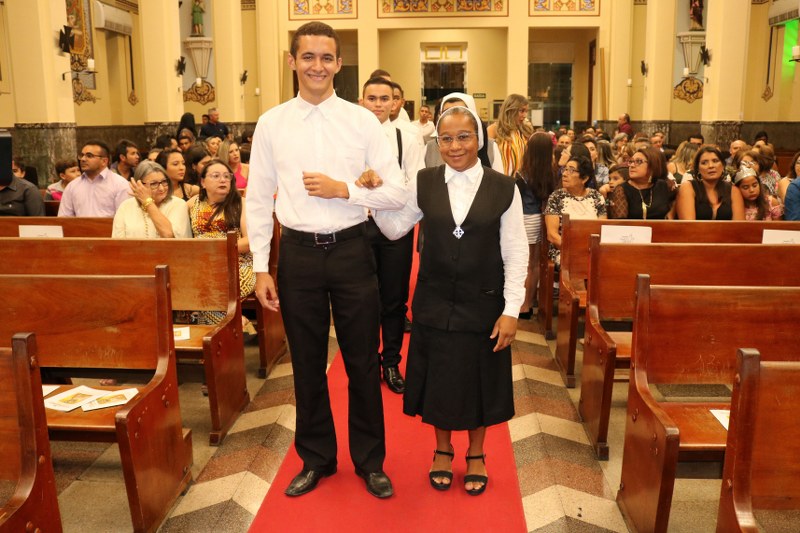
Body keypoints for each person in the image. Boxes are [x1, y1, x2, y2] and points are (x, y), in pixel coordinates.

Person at [246, 21, 407, 500]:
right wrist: (261, 266)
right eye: (308, 56)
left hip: (353, 249)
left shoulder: (363, 122)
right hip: (298, 254)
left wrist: (346, 190)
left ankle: (370, 461)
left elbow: (397, 192)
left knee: (362, 362)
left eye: (326, 57)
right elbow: (258, 198)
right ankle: (316, 458)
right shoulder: (272, 123)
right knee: (307, 364)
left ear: (339, 63)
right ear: (292, 61)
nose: (317, 66)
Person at [370, 105, 528, 496]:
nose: (455, 146)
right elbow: (395, 229)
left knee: (480, 381)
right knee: (439, 380)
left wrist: (511, 310)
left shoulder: (503, 187)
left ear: (479, 139)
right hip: (435, 300)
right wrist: (372, 198)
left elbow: (515, 251)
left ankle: (476, 453)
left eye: (463, 137)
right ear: (436, 142)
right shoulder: (424, 181)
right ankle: (442, 450)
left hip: (484, 302)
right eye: (446, 139)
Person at [360, 76, 425, 394]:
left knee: (394, 300)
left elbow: (415, 183)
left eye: (384, 98)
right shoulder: (349, 136)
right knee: (362, 300)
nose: (378, 104)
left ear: (395, 102)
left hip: (396, 228)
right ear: (362, 101)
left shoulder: (407, 137)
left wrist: (397, 222)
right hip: (357, 226)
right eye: (372, 98)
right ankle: (369, 362)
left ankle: (391, 362)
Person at [188, 160, 255, 323]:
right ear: (203, 182)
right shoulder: (192, 204)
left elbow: (249, 242)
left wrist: (215, 249)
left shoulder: (241, 203)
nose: (223, 180)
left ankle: (230, 326)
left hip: (238, 264)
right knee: (196, 286)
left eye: (227, 176)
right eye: (216, 176)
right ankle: (237, 324)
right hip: (203, 267)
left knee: (209, 293)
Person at [516, 132, 558, 319]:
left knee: (524, 264)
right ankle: (527, 304)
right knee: (534, 265)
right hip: (541, 218)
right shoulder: (552, 172)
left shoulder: (522, 172)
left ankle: (522, 305)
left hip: (523, 218)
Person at [544, 155, 607, 267]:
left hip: (591, 250)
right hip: (563, 250)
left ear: (584, 178)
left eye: (571, 170)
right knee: (578, 264)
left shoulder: (596, 197)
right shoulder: (556, 197)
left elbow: (602, 229)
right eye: (565, 169)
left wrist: (589, 251)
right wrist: (576, 251)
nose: (564, 174)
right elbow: (552, 235)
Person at [112, 160, 192, 238]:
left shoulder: (178, 205)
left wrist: (148, 202)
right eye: (154, 184)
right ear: (139, 185)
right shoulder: (126, 206)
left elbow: (168, 235)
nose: (161, 188)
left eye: (164, 182)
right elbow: (117, 242)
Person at [58, 140, 130, 217]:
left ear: (104, 161)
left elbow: (125, 218)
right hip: (78, 225)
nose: (83, 159)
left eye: (89, 156)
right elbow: (64, 218)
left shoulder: (120, 185)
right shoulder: (72, 186)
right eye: (82, 155)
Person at [676, 146, 744, 220]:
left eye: (715, 161)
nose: (711, 166)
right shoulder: (688, 188)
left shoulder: (733, 191)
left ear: (723, 165)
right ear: (698, 168)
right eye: (704, 163)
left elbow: (738, 225)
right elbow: (688, 224)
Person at [609, 147, 676, 219]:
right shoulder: (621, 190)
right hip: (632, 226)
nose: (632, 165)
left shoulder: (664, 185)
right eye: (631, 161)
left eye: (638, 161)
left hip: (661, 226)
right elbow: (620, 223)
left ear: (653, 165)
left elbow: (676, 200)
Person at [487, 94, 533, 176]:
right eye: (521, 111)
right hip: (501, 179)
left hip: (521, 180)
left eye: (526, 111)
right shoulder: (493, 130)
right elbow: (487, 159)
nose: (525, 115)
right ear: (511, 110)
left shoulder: (526, 130)